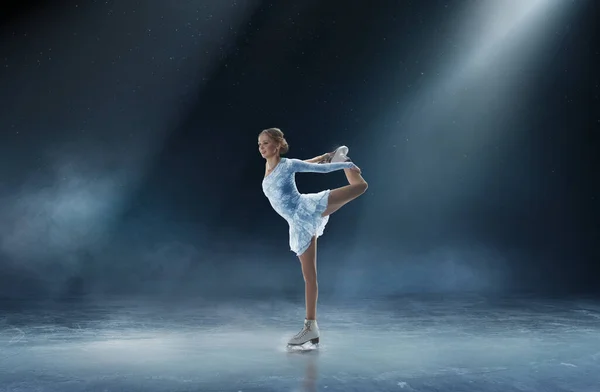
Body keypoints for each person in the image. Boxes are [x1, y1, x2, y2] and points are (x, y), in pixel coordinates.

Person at [258, 127, 368, 347]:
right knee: (309, 277)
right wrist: (324, 157)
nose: (261, 148)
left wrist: (345, 164)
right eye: (259, 144)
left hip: (306, 209)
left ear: (278, 145)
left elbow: (318, 171)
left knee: (361, 186)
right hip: (297, 222)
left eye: (266, 143)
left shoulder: (288, 164)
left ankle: (310, 327)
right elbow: (308, 163)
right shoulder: (269, 166)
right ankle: (312, 330)